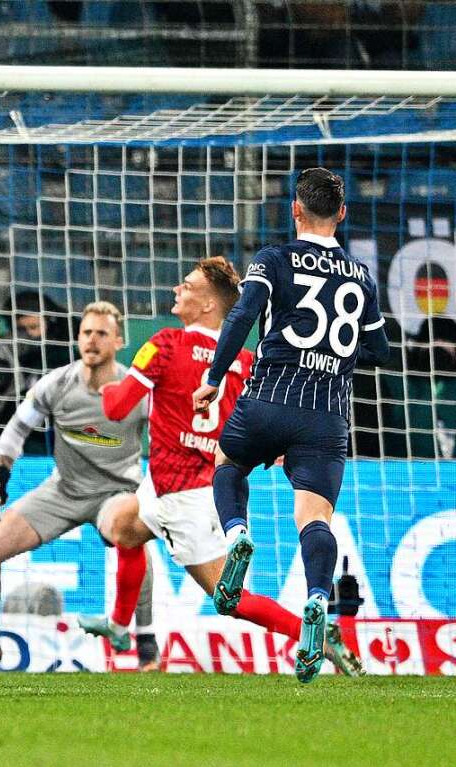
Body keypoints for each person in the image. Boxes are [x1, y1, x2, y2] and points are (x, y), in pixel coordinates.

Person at [88, 256, 364, 678]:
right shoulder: (249, 363)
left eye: (187, 286)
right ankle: (121, 628)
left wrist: (108, 384)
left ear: (208, 306)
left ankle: (321, 638)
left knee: (228, 599)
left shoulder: (164, 345)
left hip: (181, 496)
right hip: (194, 485)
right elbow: (266, 431)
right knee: (124, 526)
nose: (176, 290)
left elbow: (117, 408)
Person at [194, 168, 389, 683]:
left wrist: (214, 378)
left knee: (228, 462)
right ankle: (319, 600)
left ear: (296, 210)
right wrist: (336, 356)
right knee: (314, 517)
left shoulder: (273, 259)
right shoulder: (362, 276)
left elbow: (240, 317)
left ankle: (237, 532)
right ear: (341, 214)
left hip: (269, 397)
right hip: (326, 416)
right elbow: (379, 349)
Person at [0, 302, 159, 672]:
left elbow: (166, 437)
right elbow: (17, 429)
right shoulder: (57, 382)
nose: (92, 340)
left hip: (116, 493)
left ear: (119, 340)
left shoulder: (137, 391)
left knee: (131, 533)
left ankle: (145, 641)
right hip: (63, 490)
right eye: (86, 333)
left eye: (101, 333)